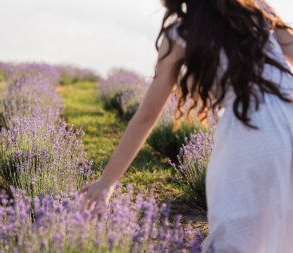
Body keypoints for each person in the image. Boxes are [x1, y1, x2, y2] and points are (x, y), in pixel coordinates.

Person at [81, 0, 293, 251]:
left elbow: (146, 117)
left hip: (250, 129)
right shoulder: (256, 9)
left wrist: (107, 181)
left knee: (237, 235)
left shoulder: (181, 34)